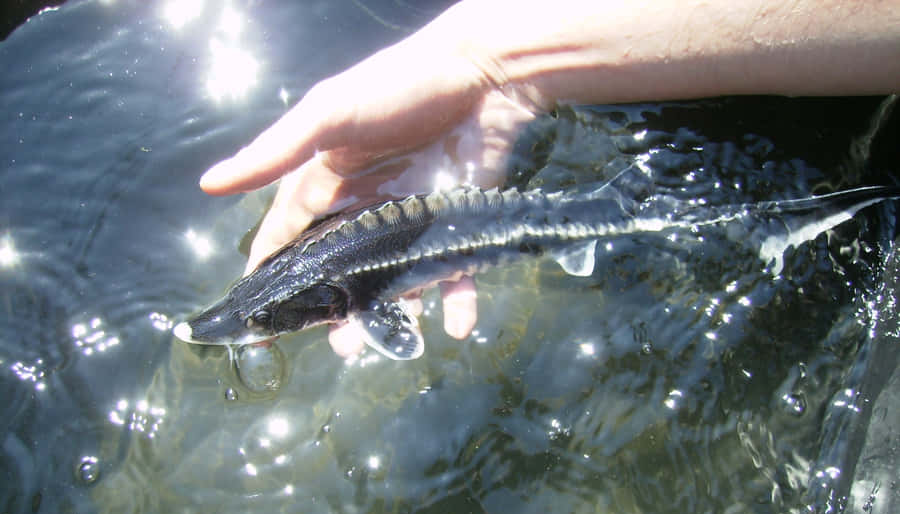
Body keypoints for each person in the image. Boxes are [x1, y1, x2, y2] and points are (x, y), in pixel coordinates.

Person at [199, 0, 900, 357]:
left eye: (263, 315)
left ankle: (798, 219)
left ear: (333, 302)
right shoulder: (331, 263)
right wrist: (485, 58)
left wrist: (490, 61)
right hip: (536, 206)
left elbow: (401, 339)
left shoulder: (352, 295)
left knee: (661, 218)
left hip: (544, 215)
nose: (256, 322)